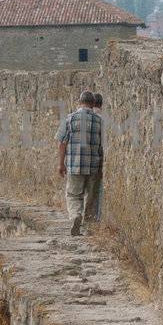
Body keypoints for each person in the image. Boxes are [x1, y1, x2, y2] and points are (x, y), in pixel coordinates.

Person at [55, 90, 104, 236]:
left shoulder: (69, 119)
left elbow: (62, 143)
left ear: (79, 102)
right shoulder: (100, 121)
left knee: (73, 194)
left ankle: (76, 215)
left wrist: (60, 164)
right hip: (93, 165)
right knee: (91, 197)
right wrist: (101, 167)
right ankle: (89, 227)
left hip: (74, 164)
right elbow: (103, 146)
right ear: (93, 103)